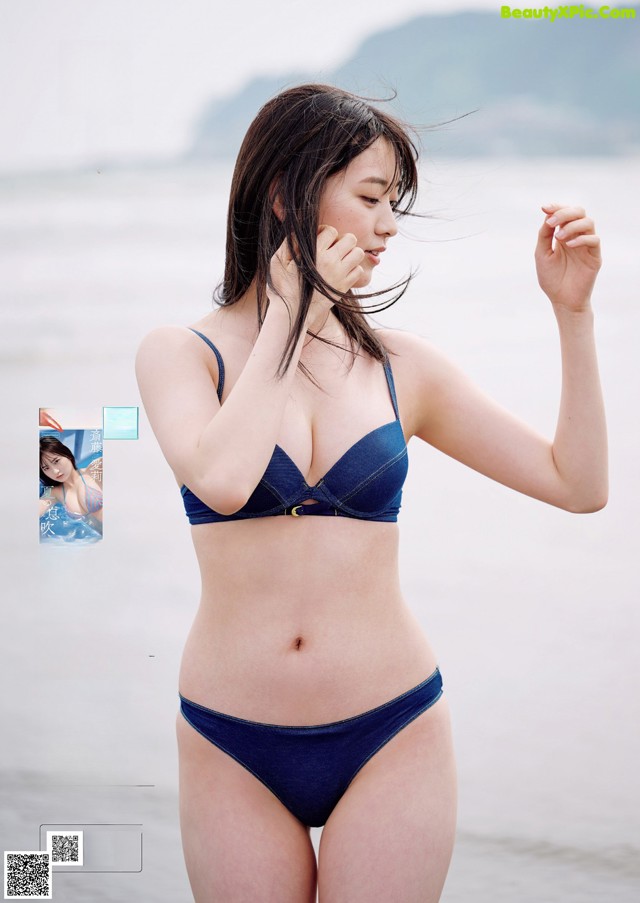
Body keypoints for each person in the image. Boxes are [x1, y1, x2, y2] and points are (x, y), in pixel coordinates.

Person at [135, 84, 607, 902]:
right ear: (288, 193)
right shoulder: (180, 355)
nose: (389, 225)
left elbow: (579, 484)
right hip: (230, 742)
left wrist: (573, 315)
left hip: (394, 730)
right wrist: (292, 309)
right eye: (371, 197)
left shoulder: (402, 368)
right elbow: (221, 476)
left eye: (395, 203)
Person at [39, 435, 103, 522]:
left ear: (67, 454)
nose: (55, 471)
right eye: (46, 468)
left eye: (56, 461)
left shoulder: (94, 470)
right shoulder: (54, 492)